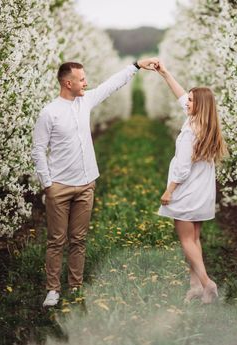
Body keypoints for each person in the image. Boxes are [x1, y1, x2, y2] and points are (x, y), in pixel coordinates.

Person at [32, 57, 159, 307]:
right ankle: (53, 289)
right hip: (59, 186)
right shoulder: (49, 112)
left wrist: (135, 66)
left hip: (86, 183)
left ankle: (75, 286)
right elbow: (38, 149)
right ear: (68, 83)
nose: (86, 82)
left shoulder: (85, 101)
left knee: (79, 238)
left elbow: (110, 85)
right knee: (57, 240)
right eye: (81, 79)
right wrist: (48, 184)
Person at [155, 61, 227, 304]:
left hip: (186, 190)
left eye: (192, 100)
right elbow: (182, 95)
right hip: (203, 190)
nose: (187, 102)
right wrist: (165, 74)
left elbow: (183, 168)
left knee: (186, 240)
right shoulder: (205, 125)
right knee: (194, 240)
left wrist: (169, 191)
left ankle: (207, 283)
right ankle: (194, 285)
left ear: (200, 106)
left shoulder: (189, 131)